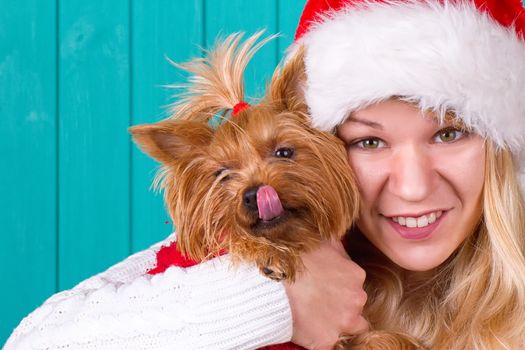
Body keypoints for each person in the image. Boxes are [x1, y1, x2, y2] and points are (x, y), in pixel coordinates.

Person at [5, 0, 525, 349]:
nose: (412, 185)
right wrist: (277, 297)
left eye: (450, 133)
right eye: (368, 141)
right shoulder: (239, 256)